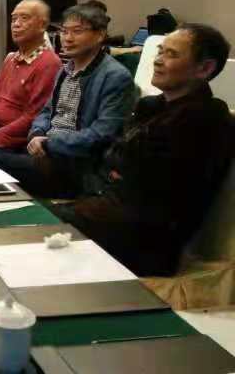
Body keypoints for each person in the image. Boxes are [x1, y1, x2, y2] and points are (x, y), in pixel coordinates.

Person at [51, 24, 233, 276]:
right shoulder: (152, 106)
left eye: (171, 54)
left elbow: (146, 194)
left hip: (143, 242)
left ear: (204, 68)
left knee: (33, 226)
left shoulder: (206, 118)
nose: (157, 60)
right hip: (106, 209)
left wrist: (113, 171)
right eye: (160, 51)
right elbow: (115, 165)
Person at [0, 3, 134, 197]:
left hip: (76, 165)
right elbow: (47, 111)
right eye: (64, 31)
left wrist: (49, 143)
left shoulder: (115, 76)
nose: (67, 38)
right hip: (47, 151)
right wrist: (37, 134)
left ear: (100, 35)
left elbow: (101, 134)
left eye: (77, 31)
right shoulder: (66, 69)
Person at [0, 0, 62, 152]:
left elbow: (32, 116)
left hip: (12, 143)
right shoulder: (12, 58)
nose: (16, 24)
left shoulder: (49, 63)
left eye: (24, 18)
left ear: (42, 25)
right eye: (13, 19)